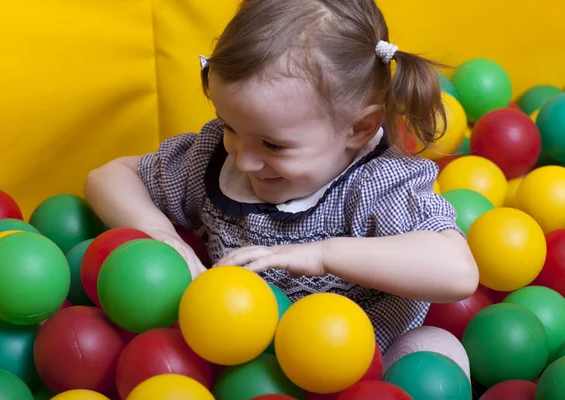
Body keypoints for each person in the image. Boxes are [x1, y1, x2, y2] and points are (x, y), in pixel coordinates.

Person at [85, 0, 478, 352]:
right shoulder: (211, 158)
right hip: (230, 348)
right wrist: (163, 235)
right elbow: (108, 177)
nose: (244, 162)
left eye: (273, 146)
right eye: (231, 127)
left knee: (434, 348)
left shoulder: (377, 184)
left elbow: (458, 271)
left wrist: (322, 255)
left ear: (358, 129)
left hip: (353, 359)